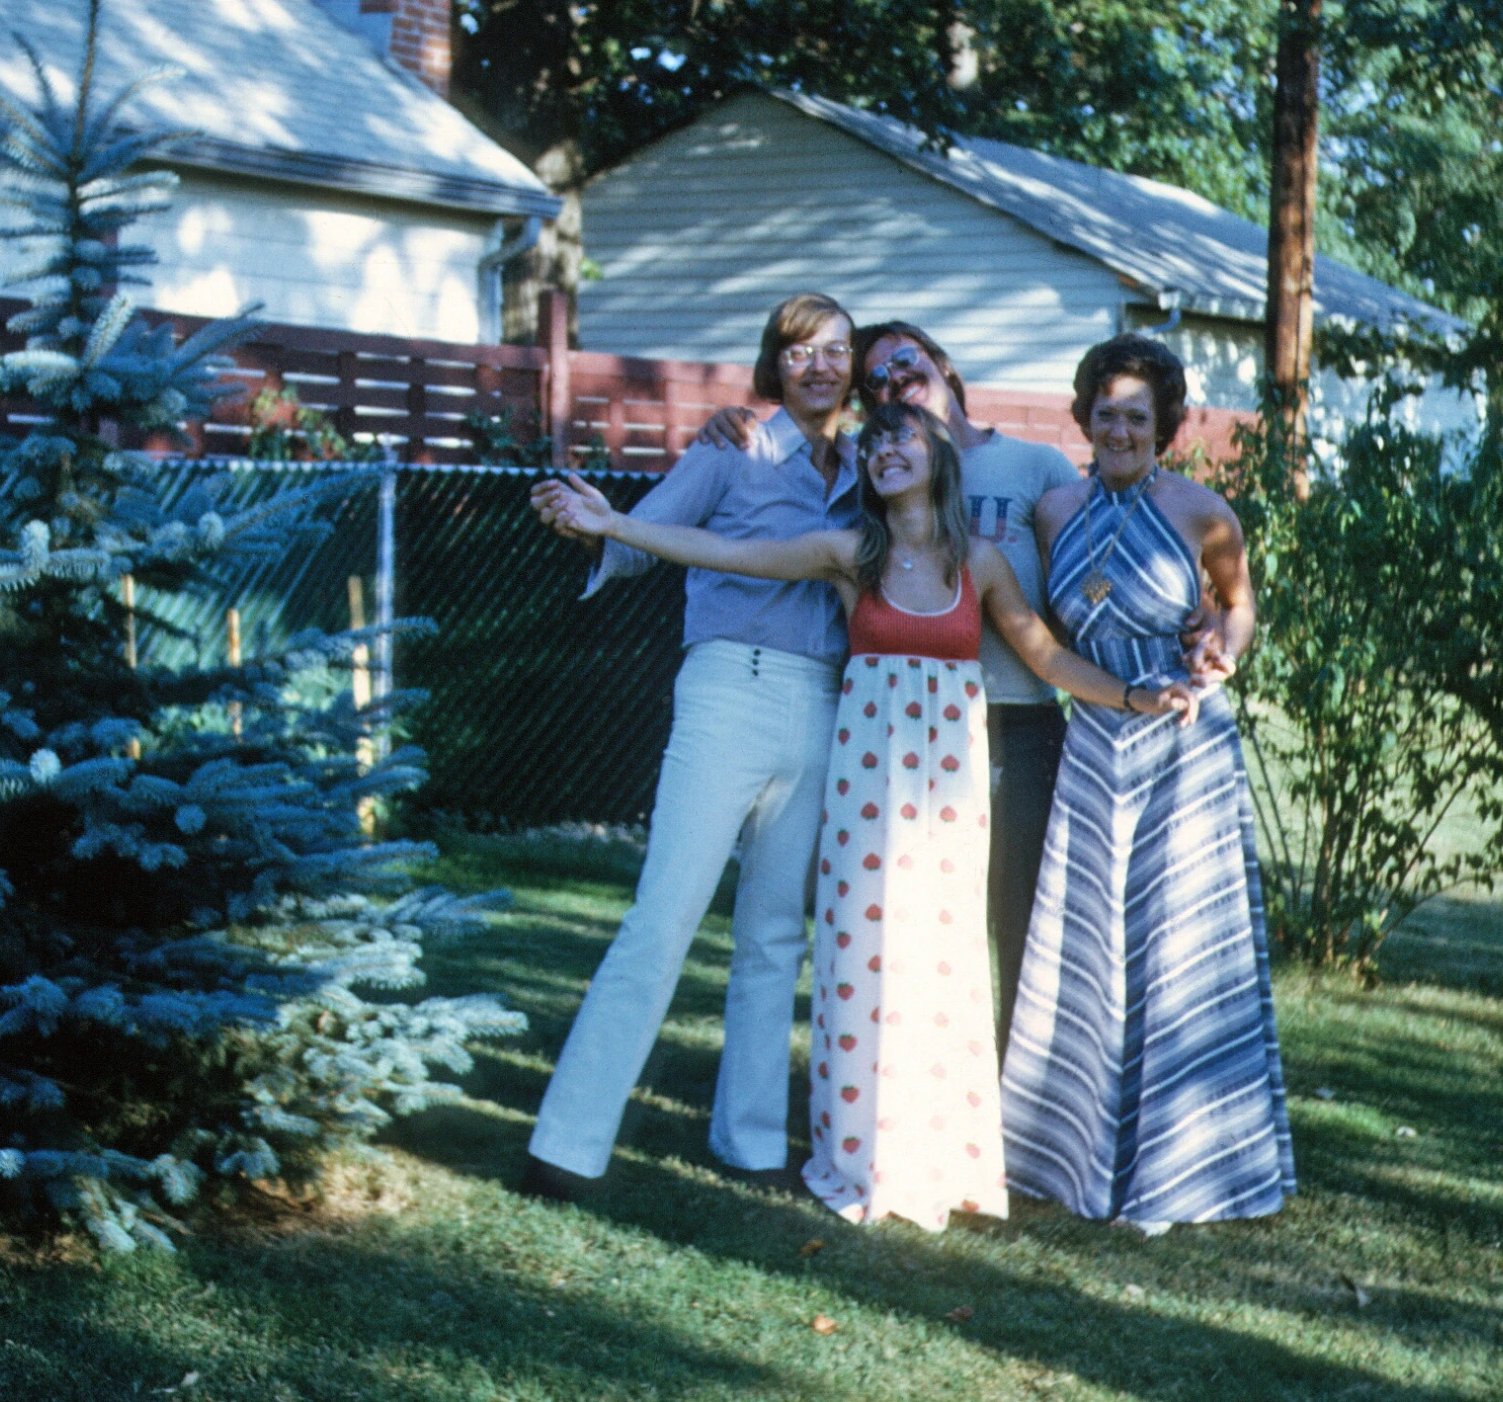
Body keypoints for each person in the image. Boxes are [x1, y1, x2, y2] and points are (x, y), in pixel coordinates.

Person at [537, 400, 1199, 1232]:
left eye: (903, 437)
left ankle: (940, 1152)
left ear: (936, 456)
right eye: (875, 441)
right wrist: (619, 526)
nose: (886, 450)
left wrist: (1137, 694)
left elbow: (1047, 655)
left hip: (949, 800)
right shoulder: (850, 554)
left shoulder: (982, 563)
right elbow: (725, 550)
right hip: (865, 791)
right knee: (862, 961)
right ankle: (861, 1151)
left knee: (943, 963)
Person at [520, 293, 861, 1200]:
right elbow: (639, 542)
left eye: (836, 350)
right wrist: (593, 521)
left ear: (853, 365)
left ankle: (748, 1144)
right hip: (728, 689)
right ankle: (567, 1143)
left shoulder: (871, 467)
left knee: (773, 935)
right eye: (800, 352)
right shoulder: (729, 449)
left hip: (824, 704)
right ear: (774, 364)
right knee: (663, 913)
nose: (819, 366)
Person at [699, 321, 1085, 1060]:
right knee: (918, 921)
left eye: (903, 365)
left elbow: (1086, 569)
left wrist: (1190, 615)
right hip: (909, 729)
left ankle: (1019, 1106)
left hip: (1022, 718)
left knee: (1023, 923)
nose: (890, 386)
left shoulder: (1033, 464)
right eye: (873, 384)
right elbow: (779, 507)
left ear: (942, 364)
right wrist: (736, 417)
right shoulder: (878, 462)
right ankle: (906, 1083)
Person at [1000, 333, 1296, 1231]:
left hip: (1181, 737)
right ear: (1083, 415)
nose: (1118, 427)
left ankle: (1180, 1169)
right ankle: (1068, 1156)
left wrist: (1224, 652)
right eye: (1104, 411)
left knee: (1177, 944)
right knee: (1084, 940)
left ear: (1163, 424)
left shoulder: (1204, 510)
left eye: (1136, 414)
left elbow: (1238, 604)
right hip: (1093, 736)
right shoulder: (1050, 509)